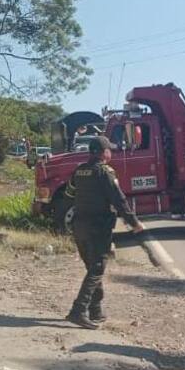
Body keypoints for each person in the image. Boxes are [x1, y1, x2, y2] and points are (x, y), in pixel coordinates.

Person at [63, 136, 146, 329]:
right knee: (97, 268)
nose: (111, 153)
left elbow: (68, 195)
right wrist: (134, 223)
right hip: (98, 226)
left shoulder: (79, 170)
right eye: (110, 150)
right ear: (103, 152)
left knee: (92, 268)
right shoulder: (105, 172)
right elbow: (119, 200)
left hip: (79, 225)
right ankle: (78, 310)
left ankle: (96, 310)